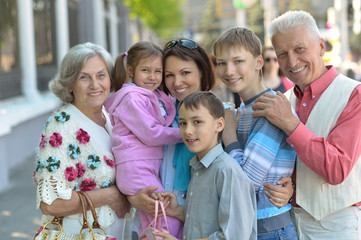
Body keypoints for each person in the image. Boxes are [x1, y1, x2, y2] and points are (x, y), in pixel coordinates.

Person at [252, 10, 361, 239]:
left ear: (321, 47)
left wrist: (291, 124)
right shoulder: (284, 100)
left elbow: (337, 168)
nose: (291, 61)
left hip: (338, 228)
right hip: (289, 225)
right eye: (282, 53)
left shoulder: (354, 95)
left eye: (300, 49)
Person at [33, 42, 130, 238]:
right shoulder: (62, 126)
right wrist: (109, 196)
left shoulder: (111, 117)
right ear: (70, 84)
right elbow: (50, 203)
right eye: (84, 77)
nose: (95, 85)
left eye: (101, 75)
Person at [212, 27, 298, 239]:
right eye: (221, 63)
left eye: (238, 61)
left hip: (269, 228)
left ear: (259, 62)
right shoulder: (244, 109)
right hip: (251, 225)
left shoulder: (270, 108)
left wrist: (229, 136)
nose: (229, 71)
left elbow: (247, 182)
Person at [126, 39, 216, 238]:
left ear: (201, 71)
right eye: (169, 75)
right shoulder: (158, 113)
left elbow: (226, 197)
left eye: (185, 73)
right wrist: (134, 198)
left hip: (196, 229)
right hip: (152, 223)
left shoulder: (220, 117)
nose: (177, 82)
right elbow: (130, 160)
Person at [104, 41, 183, 238]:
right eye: (146, 70)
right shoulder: (131, 98)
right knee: (164, 219)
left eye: (158, 71)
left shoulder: (150, 95)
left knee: (154, 219)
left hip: (142, 166)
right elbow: (151, 132)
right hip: (136, 167)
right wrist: (185, 134)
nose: (153, 77)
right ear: (131, 70)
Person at [152, 91, 257, 240]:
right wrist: (177, 211)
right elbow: (207, 222)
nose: (188, 131)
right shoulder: (196, 167)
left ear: (219, 124)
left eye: (197, 122)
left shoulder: (227, 171)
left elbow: (234, 236)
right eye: (183, 123)